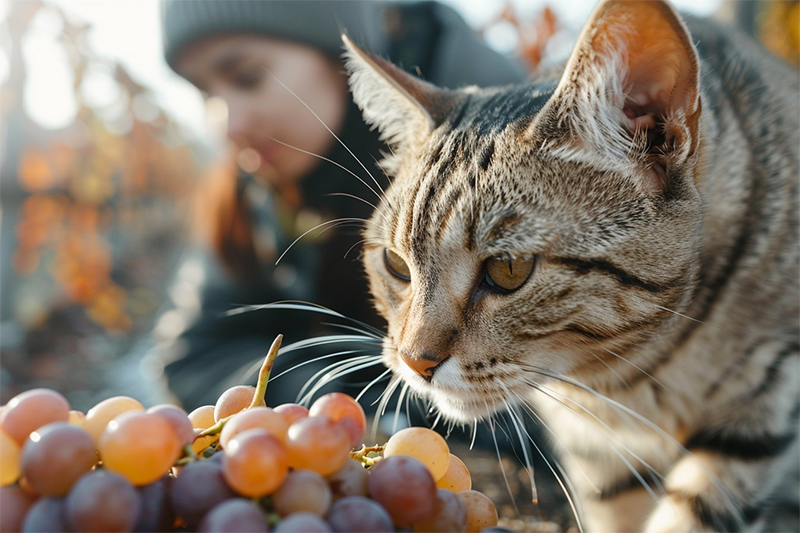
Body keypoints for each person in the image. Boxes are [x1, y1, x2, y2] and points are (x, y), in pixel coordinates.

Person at [152, 0, 527, 410]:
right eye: (205, 94)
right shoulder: (252, 185)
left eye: (248, 77)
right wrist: (327, 395)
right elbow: (194, 355)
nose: (230, 125)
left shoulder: (519, 140)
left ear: (341, 58)